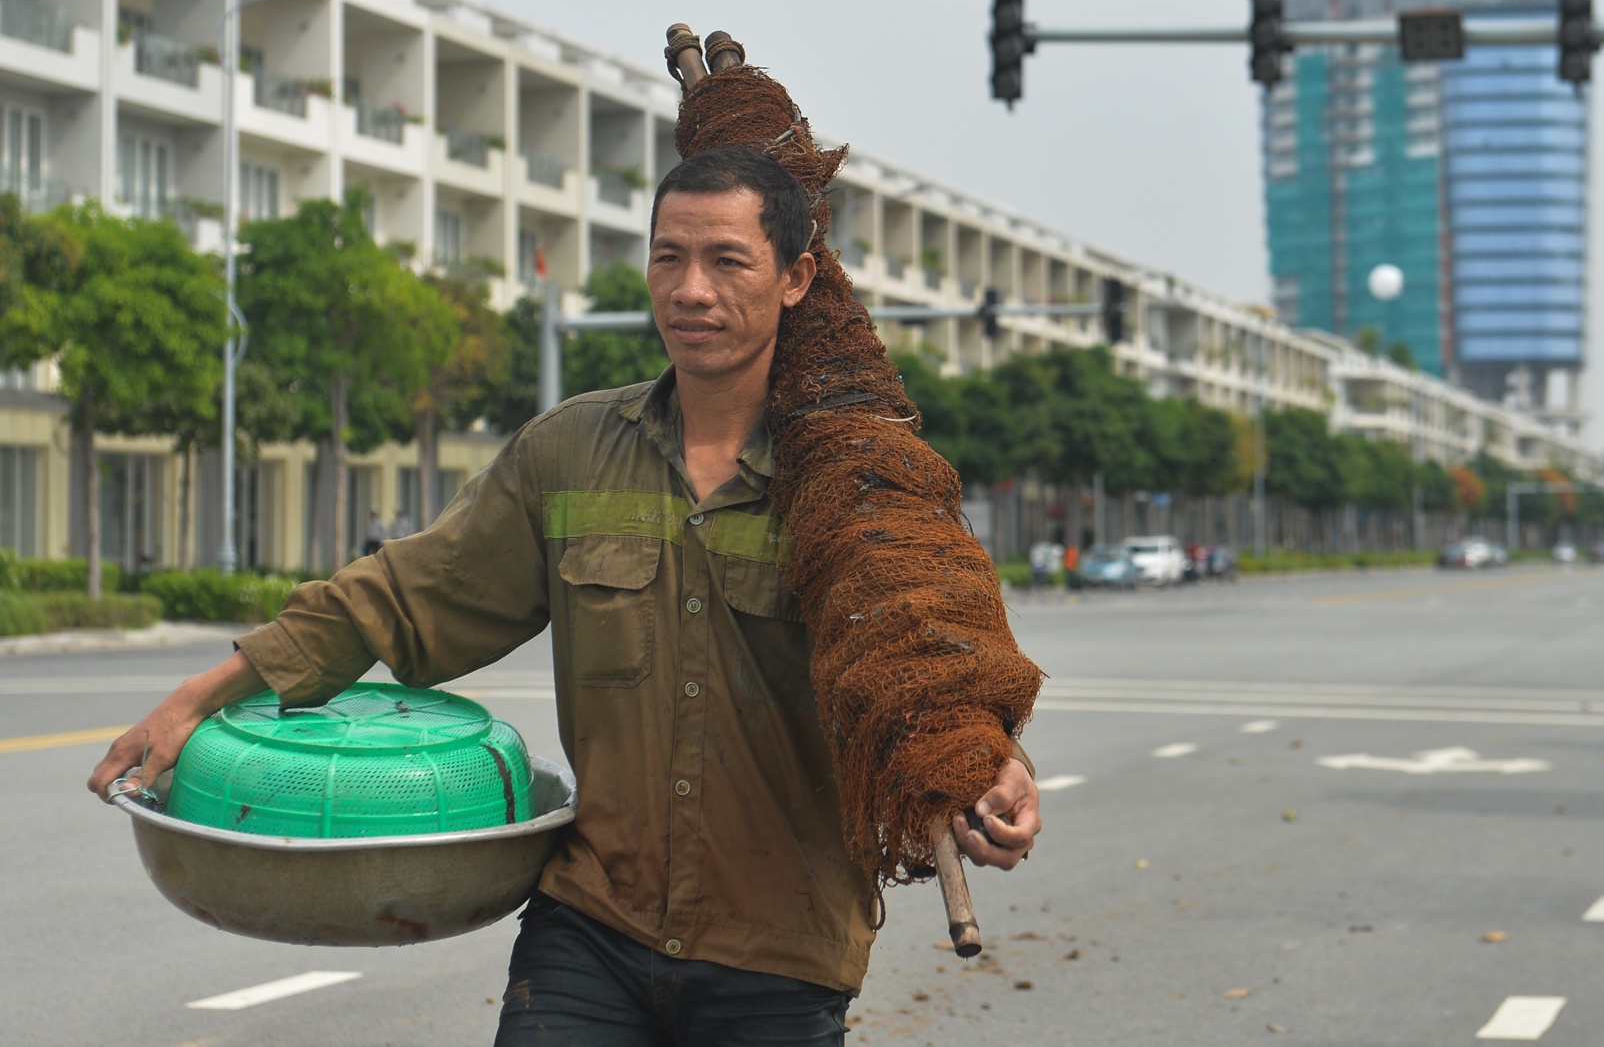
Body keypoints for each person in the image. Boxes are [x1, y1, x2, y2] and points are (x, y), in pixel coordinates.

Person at [88, 146, 1041, 1045]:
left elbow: (930, 662)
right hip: (592, 927)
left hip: (781, 950)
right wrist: (196, 702)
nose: (691, 289)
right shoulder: (572, 453)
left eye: (726, 261)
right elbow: (401, 595)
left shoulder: (861, 488)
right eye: (669, 257)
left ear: (796, 278)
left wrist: (983, 767)